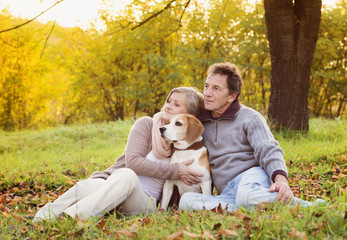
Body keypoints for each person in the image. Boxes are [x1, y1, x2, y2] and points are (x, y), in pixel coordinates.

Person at [33, 87, 204, 221]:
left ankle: (73, 218)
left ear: (191, 116)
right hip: (111, 188)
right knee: (91, 185)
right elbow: (133, 161)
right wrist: (175, 170)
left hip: (143, 202)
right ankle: (42, 218)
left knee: (126, 176)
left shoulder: (187, 147)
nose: (168, 106)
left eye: (177, 104)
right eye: (169, 101)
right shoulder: (146, 124)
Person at [179, 62, 324, 211]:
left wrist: (281, 181)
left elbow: (269, 150)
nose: (208, 93)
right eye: (206, 86)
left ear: (232, 96)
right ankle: (248, 206)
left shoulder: (249, 117)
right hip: (227, 192)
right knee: (187, 201)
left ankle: (310, 207)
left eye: (216, 88)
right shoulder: (199, 123)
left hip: (251, 177)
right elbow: (170, 118)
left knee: (245, 195)